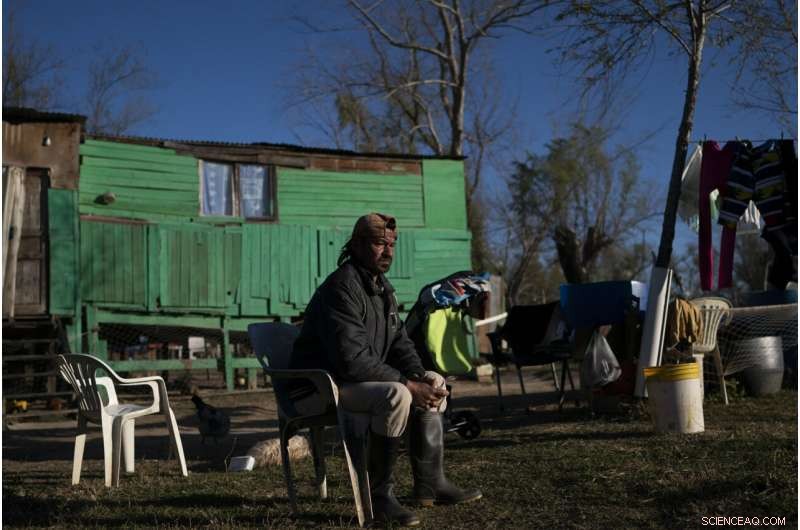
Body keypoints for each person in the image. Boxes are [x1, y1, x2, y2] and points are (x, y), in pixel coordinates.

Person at [290, 212, 481, 526]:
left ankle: (430, 485)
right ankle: (378, 497)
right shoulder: (342, 287)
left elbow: (400, 343)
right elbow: (352, 360)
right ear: (358, 244)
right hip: (317, 386)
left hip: (351, 381)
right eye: (380, 243)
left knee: (433, 381)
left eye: (392, 244)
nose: (389, 251)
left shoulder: (382, 289)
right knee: (396, 395)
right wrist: (406, 384)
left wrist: (420, 377)